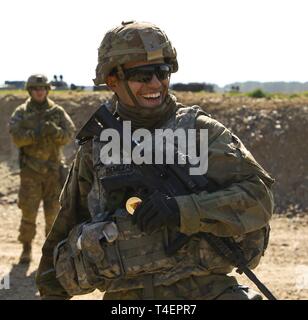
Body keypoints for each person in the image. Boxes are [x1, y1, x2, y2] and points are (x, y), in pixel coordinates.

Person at [36, 21, 275, 300]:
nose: (155, 83)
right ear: (112, 80)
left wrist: (183, 209)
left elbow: (259, 199)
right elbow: (67, 221)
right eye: (142, 74)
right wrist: (50, 292)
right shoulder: (96, 146)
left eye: (162, 72)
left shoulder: (201, 132)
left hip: (206, 290)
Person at [9, 74, 76, 263]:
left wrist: (55, 132)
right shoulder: (21, 112)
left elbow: (69, 134)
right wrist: (36, 133)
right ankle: (26, 248)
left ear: (47, 90)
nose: (39, 92)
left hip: (53, 173)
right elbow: (17, 138)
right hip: (30, 173)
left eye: (43, 88)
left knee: (53, 216)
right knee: (28, 213)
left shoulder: (57, 112)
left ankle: (51, 253)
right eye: (36, 89)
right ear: (30, 91)